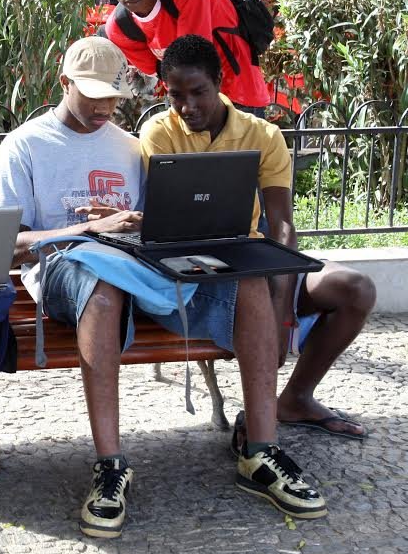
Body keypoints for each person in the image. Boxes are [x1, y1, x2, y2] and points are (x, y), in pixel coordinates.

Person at [0, 35, 327, 538]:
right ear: (64, 84)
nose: (104, 106)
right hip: (64, 268)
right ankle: (110, 465)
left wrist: (138, 225)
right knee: (104, 290)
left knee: (248, 283)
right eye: (92, 94)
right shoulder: (26, 145)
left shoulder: (131, 145)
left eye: (112, 96)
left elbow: (159, 224)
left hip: (143, 266)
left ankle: (260, 451)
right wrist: (84, 230)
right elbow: (5, 245)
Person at [141, 35, 376, 448]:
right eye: (176, 95)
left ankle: (296, 398)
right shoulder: (159, 134)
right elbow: (165, 225)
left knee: (356, 289)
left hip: (254, 257)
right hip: (196, 266)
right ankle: (260, 417)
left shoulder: (263, 134)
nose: (188, 107)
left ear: (219, 83)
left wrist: (283, 303)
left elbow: (282, 225)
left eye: (199, 92)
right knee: (256, 299)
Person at [104, 0, 270, 114]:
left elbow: (192, 54)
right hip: (186, 104)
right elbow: (161, 72)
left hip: (238, 95)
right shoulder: (119, 27)